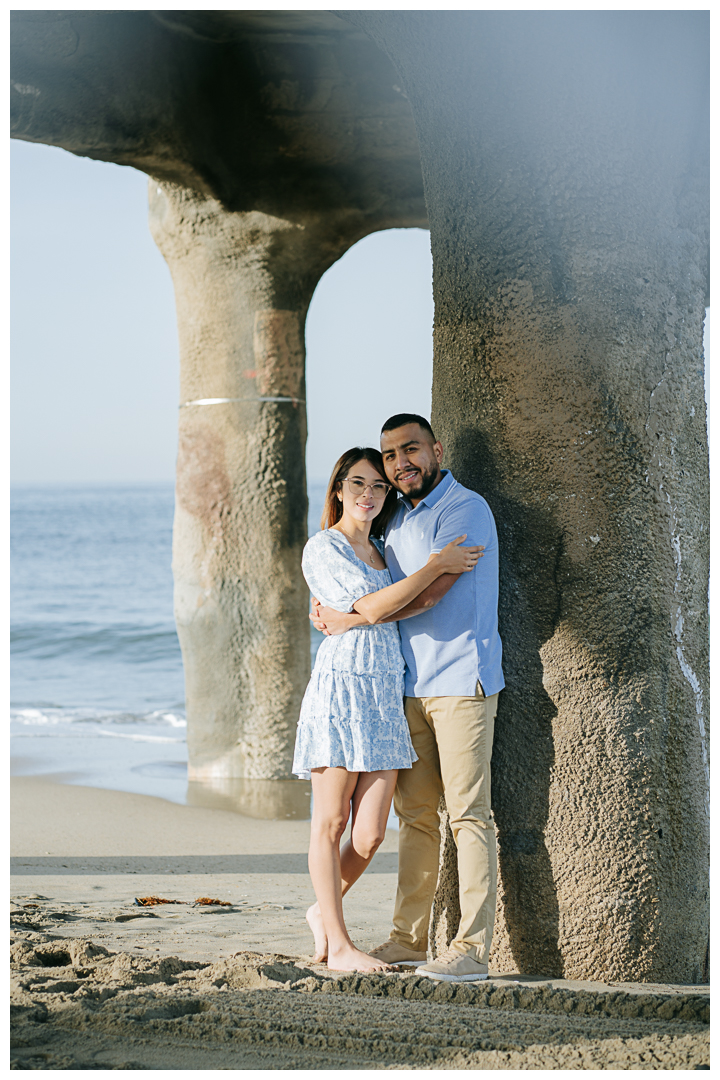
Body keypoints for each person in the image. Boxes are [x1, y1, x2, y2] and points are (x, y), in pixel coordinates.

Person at [311, 414, 504, 983]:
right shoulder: (393, 515)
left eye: (410, 450)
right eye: (390, 455)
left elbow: (426, 597)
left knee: (469, 814)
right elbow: (362, 579)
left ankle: (470, 949)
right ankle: (408, 939)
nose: (400, 464)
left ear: (436, 449)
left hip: (460, 681)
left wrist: (353, 617)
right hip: (401, 686)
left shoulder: (464, 509)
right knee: (416, 818)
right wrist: (345, 612)